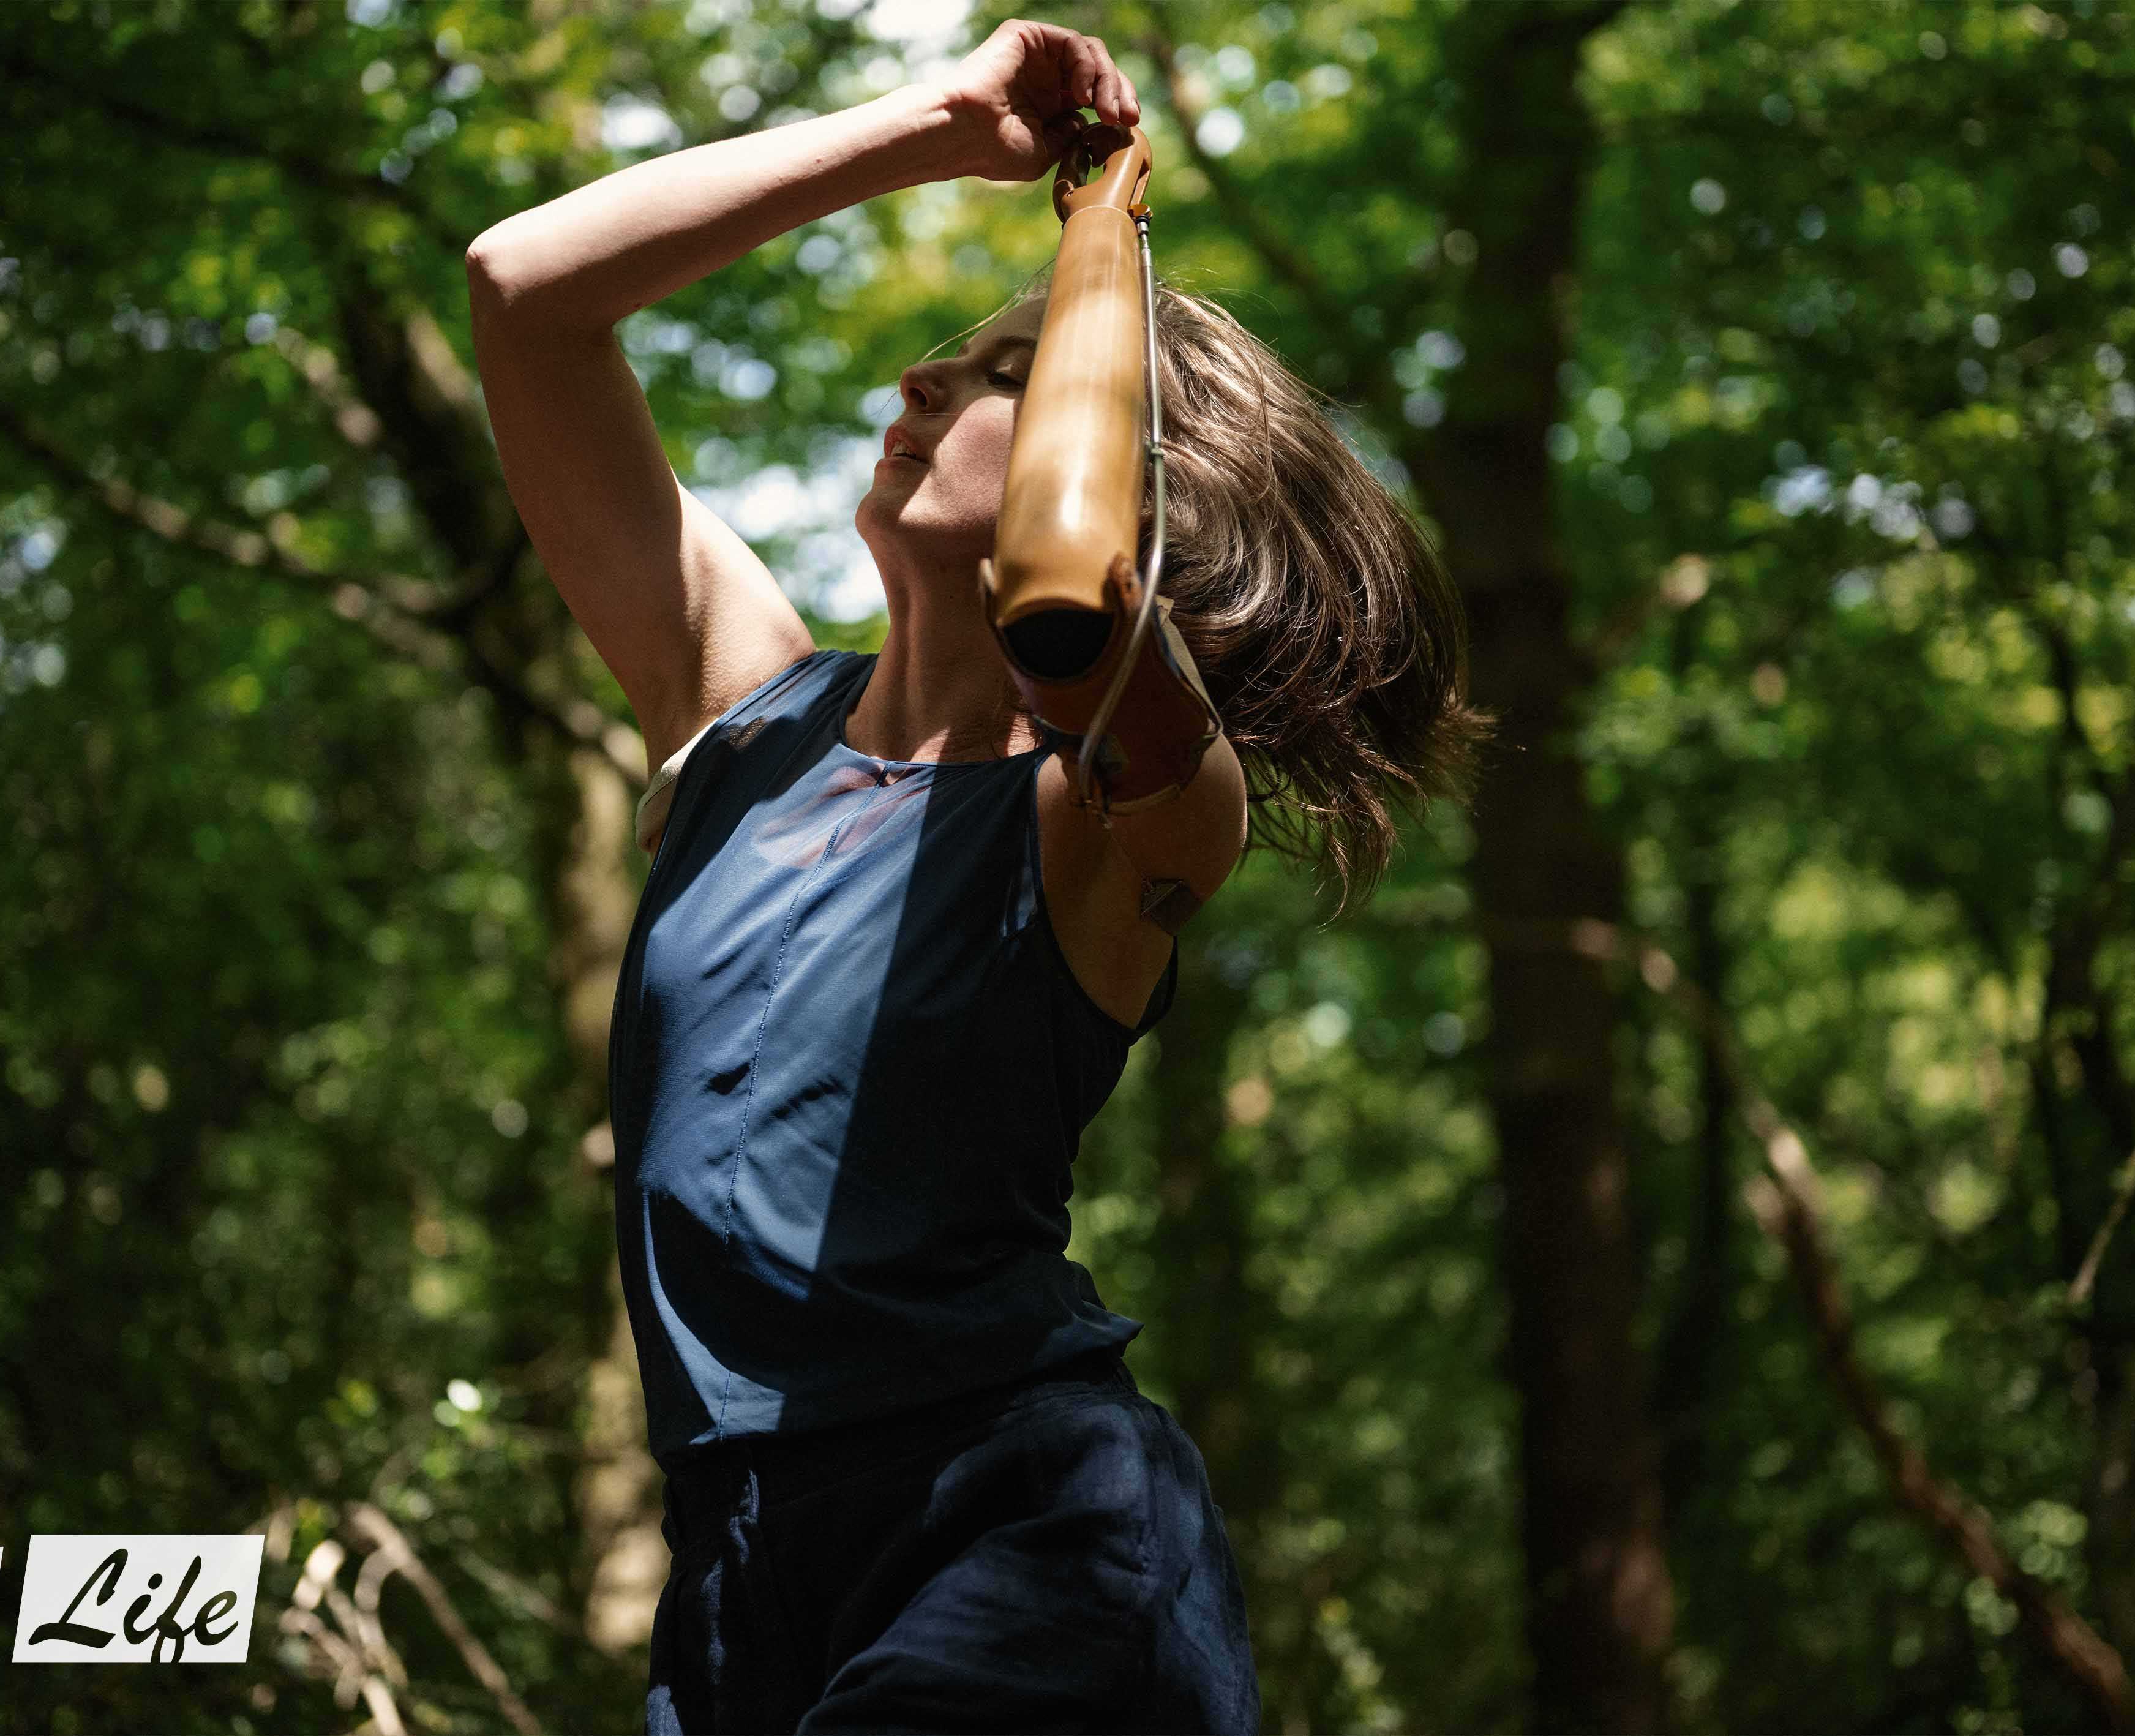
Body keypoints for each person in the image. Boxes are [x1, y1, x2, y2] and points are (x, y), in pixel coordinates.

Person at [466, 20, 1481, 1733]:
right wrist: (931, 127)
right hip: (731, 1571)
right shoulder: (741, 719)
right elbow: (526, 293)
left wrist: (1104, 276)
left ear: (1141, 477)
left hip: (1020, 1534)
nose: (919, 383)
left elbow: (1079, 607)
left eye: (1005, 371)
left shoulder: (1126, 814)